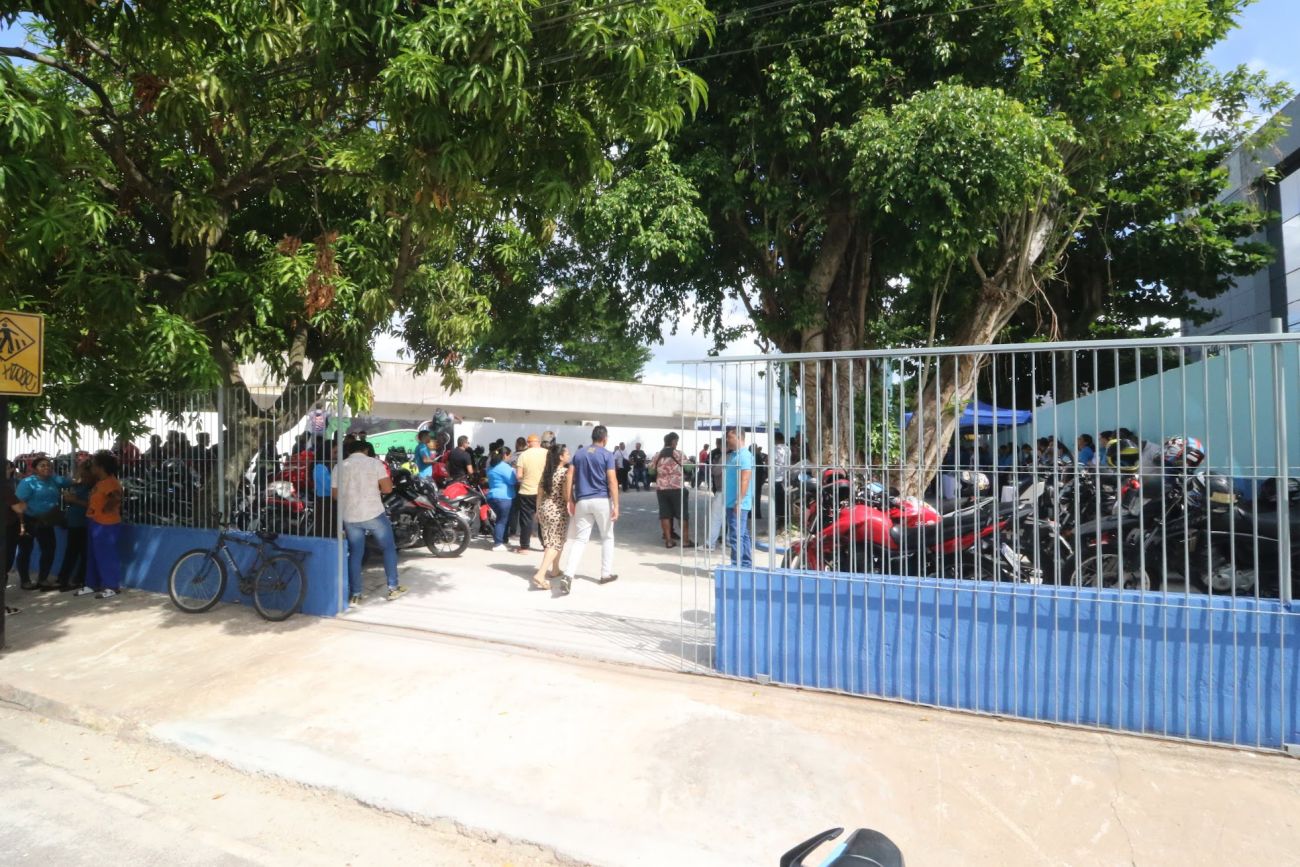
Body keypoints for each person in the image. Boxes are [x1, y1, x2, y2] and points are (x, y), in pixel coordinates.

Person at [333, 440, 405, 605]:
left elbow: (336, 495)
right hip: (373, 514)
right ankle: (393, 588)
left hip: (350, 516)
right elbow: (387, 489)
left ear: (349, 451)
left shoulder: (339, 466)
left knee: (355, 554)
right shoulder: (375, 463)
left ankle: (356, 594)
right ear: (365, 450)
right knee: (388, 548)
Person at [557, 426, 619, 595]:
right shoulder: (607, 455)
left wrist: (570, 499)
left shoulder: (579, 453)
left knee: (580, 540)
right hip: (602, 500)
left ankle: (568, 575)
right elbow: (612, 480)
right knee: (607, 537)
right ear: (604, 438)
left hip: (582, 501)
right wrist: (616, 505)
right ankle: (605, 573)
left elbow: (569, 475)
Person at [14, 455, 71, 591]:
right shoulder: (28, 482)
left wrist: (68, 471)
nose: (47, 467)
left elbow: (69, 482)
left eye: (48, 465)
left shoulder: (53, 480)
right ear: (34, 469)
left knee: (49, 549)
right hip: (29, 520)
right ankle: (25, 581)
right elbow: (18, 503)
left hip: (46, 521)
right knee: (26, 550)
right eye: (42, 465)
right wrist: (21, 524)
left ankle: (43, 579)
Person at [74, 451, 124, 599]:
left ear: (101, 467)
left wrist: (106, 509)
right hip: (95, 521)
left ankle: (111, 586)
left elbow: (116, 497)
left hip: (106, 524)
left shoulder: (110, 482)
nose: (92, 467)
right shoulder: (100, 482)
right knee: (93, 555)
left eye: (94, 465)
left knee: (106, 555)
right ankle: (92, 584)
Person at [533, 444, 571, 592]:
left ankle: (555, 569)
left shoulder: (547, 472)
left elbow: (539, 494)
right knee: (555, 544)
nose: (569, 455)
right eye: (567, 453)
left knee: (551, 540)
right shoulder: (565, 473)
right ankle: (541, 574)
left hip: (544, 508)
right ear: (561, 457)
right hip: (558, 511)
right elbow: (565, 495)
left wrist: (538, 511)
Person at [56, 460, 94, 592]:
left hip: (84, 523)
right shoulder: (78, 485)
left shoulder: (92, 487)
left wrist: (74, 500)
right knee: (72, 552)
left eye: (84, 474)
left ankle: (78, 578)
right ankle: (65, 578)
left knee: (82, 553)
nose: (81, 476)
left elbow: (92, 505)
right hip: (74, 522)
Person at [653, 433, 693, 549]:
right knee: (682, 515)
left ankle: (669, 541)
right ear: (674, 441)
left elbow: (651, 470)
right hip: (677, 488)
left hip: (661, 489)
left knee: (665, 514)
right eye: (677, 442)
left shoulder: (657, 455)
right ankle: (685, 541)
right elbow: (688, 468)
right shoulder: (679, 454)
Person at [724, 426, 754, 568]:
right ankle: (746, 564)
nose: (727, 440)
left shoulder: (745, 456)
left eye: (729, 437)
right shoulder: (733, 455)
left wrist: (739, 501)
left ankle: (737, 566)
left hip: (738, 503)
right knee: (743, 534)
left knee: (736, 536)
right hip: (732, 502)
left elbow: (745, 479)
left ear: (738, 437)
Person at [515, 434, 547, 553]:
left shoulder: (523, 455)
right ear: (539, 442)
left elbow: (519, 475)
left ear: (528, 443)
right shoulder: (547, 453)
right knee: (543, 518)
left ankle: (524, 547)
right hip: (543, 491)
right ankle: (546, 545)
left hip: (527, 491)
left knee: (526, 519)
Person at [487, 446, 517, 553]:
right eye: (509, 455)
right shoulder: (504, 467)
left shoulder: (491, 466)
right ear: (505, 455)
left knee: (501, 519)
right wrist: (514, 471)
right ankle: (498, 543)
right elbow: (512, 481)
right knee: (501, 520)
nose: (510, 458)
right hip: (504, 497)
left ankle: (503, 540)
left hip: (492, 495)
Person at [312, 441, 335, 537]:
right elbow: (330, 486)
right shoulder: (320, 467)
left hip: (329, 499)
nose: (337, 455)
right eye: (335, 452)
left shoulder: (327, 466)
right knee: (325, 529)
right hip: (325, 500)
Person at [772, 432, 790, 528]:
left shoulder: (775, 449)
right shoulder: (787, 449)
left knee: (777, 502)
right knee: (783, 501)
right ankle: (784, 521)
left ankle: (778, 522)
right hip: (785, 478)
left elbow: (770, 461)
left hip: (776, 478)